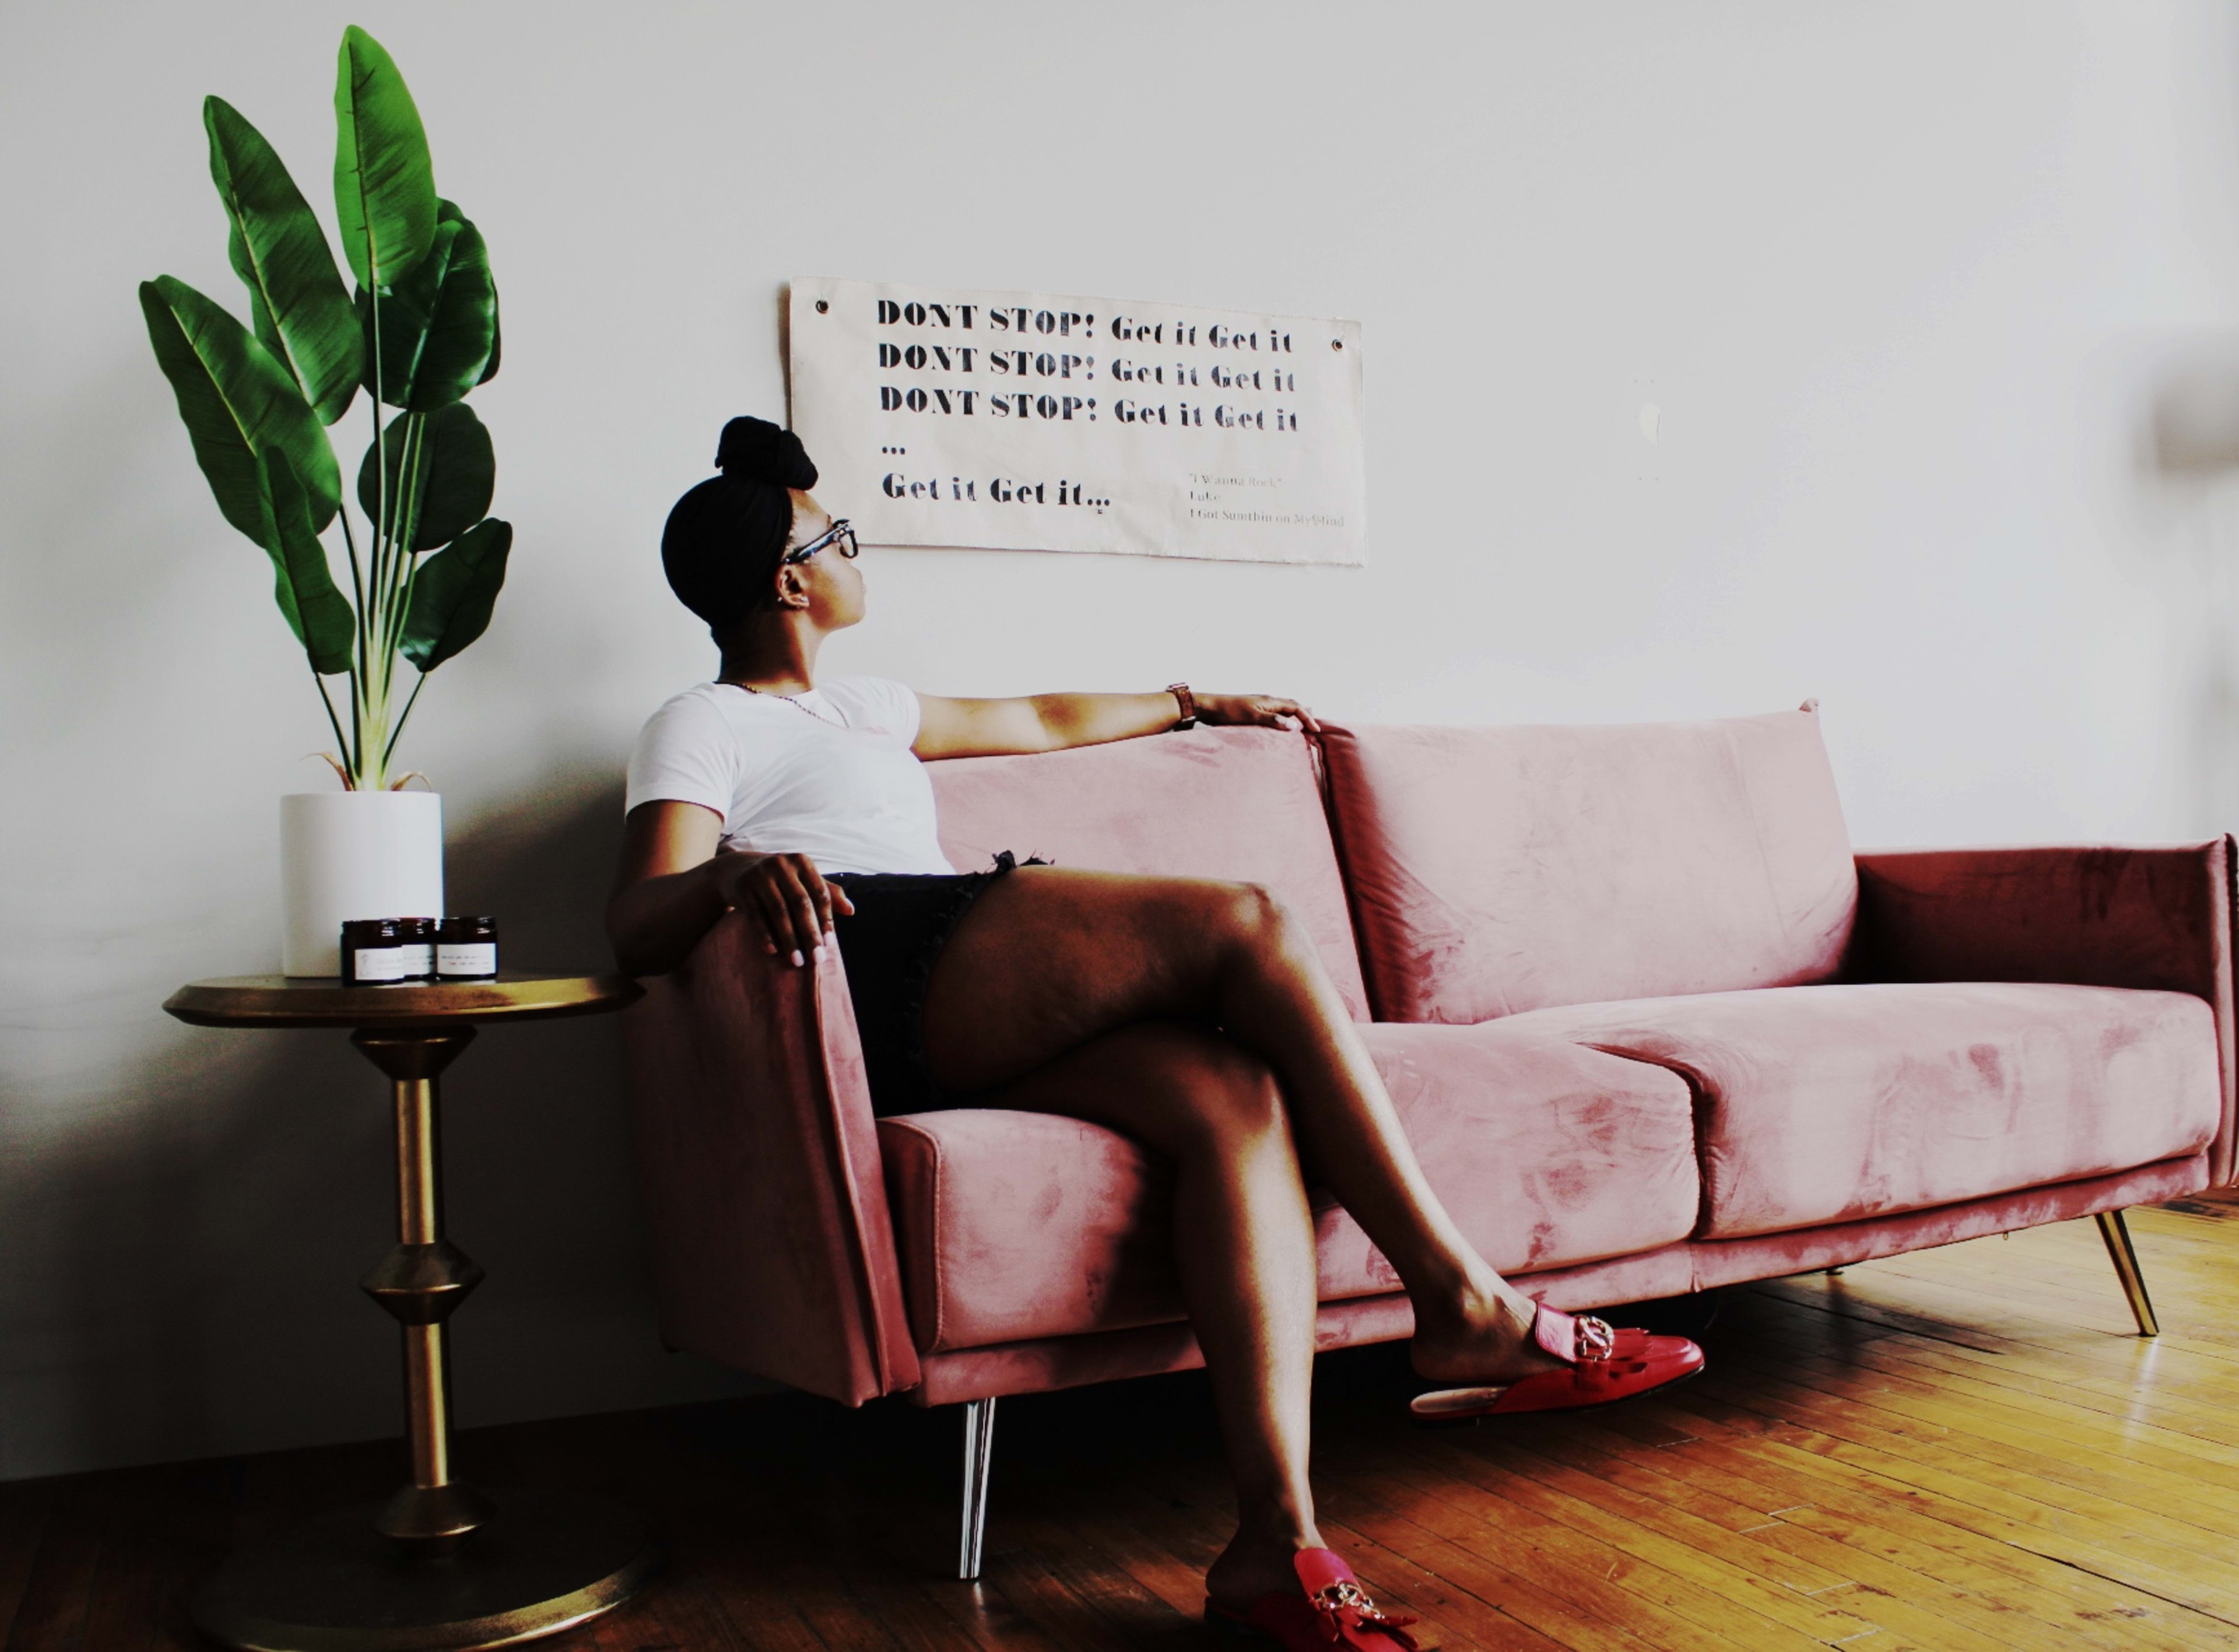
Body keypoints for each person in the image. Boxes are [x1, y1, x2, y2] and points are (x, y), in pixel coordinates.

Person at [609, 418, 1702, 1650]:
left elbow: (1032, 716)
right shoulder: (696, 723)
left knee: (1230, 1096)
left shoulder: (864, 705)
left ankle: (1273, 1543)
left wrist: (1192, 701)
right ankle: (1461, 1298)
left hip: (956, 983)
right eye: (840, 537)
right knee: (1246, 920)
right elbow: (638, 914)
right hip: (877, 964)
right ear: (789, 579)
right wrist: (733, 871)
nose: (864, 554)